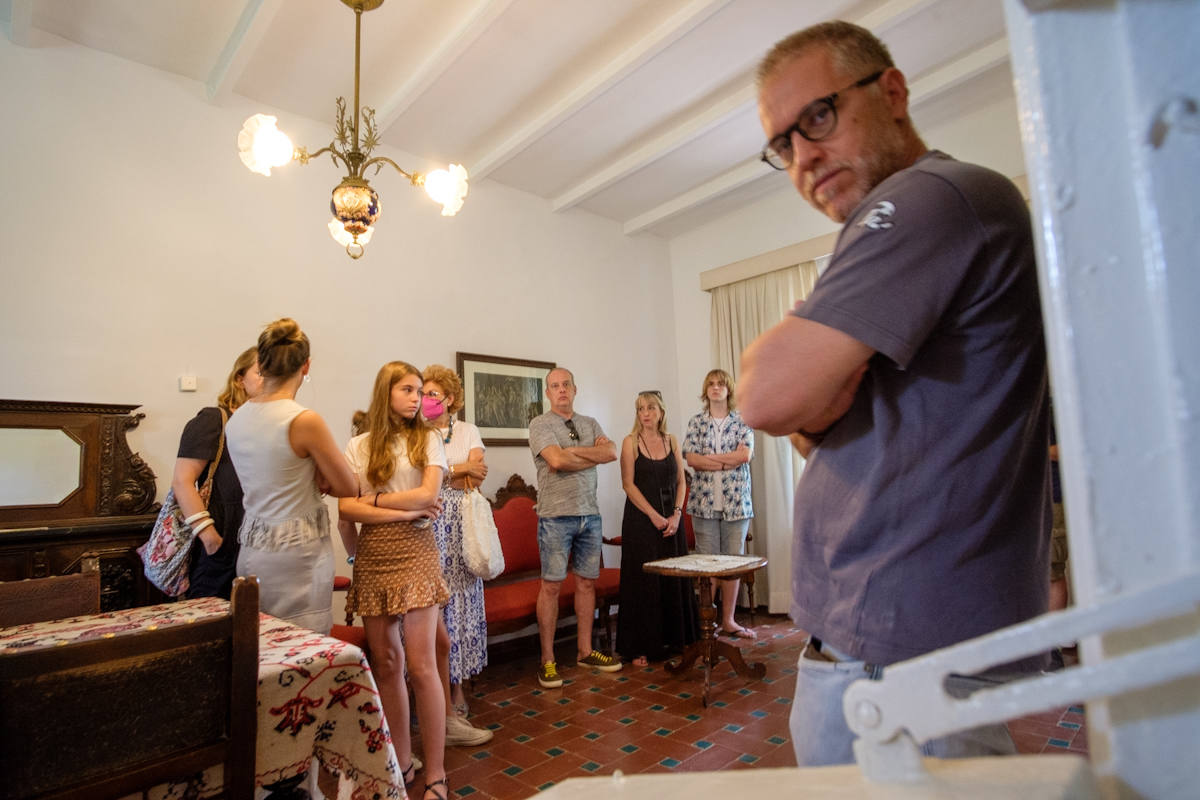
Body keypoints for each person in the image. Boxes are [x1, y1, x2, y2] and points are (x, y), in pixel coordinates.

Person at [739, 21, 1051, 766]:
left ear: (892, 92)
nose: (804, 156)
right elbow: (810, 423)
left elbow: (765, 399)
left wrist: (807, 373)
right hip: (878, 641)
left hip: (897, 649)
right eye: (783, 145)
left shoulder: (932, 196)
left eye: (818, 117)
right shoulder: (914, 221)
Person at [338, 361, 450, 800]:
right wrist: (402, 511)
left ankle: (436, 773)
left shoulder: (429, 437)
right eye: (406, 389)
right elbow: (347, 509)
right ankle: (401, 762)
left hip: (417, 552)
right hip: (374, 555)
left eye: (419, 390)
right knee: (386, 663)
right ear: (386, 392)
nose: (416, 397)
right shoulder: (359, 446)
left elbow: (429, 495)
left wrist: (377, 500)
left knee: (422, 666)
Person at [226, 318, 358, 634]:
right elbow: (347, 485)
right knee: (303, 650)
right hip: (297, 555)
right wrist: (318, 471)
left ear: (262, 362)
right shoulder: (302, 420)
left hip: (253, 550)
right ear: (306, 365)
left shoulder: (236, 419)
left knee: (258, 644)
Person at [527, 367, 622, 688]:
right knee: (551, 587)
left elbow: (611, 452)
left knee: (586, 584)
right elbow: (556, 461)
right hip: (555, 517)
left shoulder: (590, 423)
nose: (561, 390)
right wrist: (587, 455)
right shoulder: (540, 424)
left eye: (566, 384)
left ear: (575, 388)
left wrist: (575, 451)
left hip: (589, 515)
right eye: (555, 386)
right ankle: (548, 660)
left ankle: (585, 652)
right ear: (548, 393)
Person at [420, 363, 493, 746]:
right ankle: (436, 696)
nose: (425, 400)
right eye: (422, 394)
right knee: (435, 608)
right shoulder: (416, 433)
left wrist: (445, 471)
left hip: (462, 525)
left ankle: (459, 691)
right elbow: (419, 478)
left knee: (461, 607)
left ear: (449, 398)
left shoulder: (467, 430)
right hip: (428, 523)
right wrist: (454, 470)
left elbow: (478, 474)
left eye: (432, 394)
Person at [171, 347, 262, 599]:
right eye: (261, 372)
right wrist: (210, 538)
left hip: (256, 541)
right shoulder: (213, 419)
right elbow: (182, 481)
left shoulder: (266, 427)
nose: (269, 379)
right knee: (210, 620)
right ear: (239, 379)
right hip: (221, 535)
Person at [615, 391, 698, 666]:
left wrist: (676, 515)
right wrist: (653, 516)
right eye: (640, 409)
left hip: (671, 521)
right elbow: (628, 485)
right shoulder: (630, 443)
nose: (645, 413)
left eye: (650, 408)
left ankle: (676, 639)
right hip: (642, 521)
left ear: (661, 412)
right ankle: (641, 646)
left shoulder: (672, 440)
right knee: (644, 583)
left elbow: (681, 481)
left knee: (673, 578)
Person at [682, 369, 756, 638]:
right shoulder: (696, 422)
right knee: (708, 563)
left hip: (736, 503)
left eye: (720, 384)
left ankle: (729, 620)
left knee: (732, 563)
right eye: (711, 384)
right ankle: (707, 622)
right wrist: (726, 459)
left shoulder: (743, 421)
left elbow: (744, 456)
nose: (715, 388)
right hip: (703, 503)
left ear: (728, 390)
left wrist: (710, 460)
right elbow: (692, 459)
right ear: (706, 390)